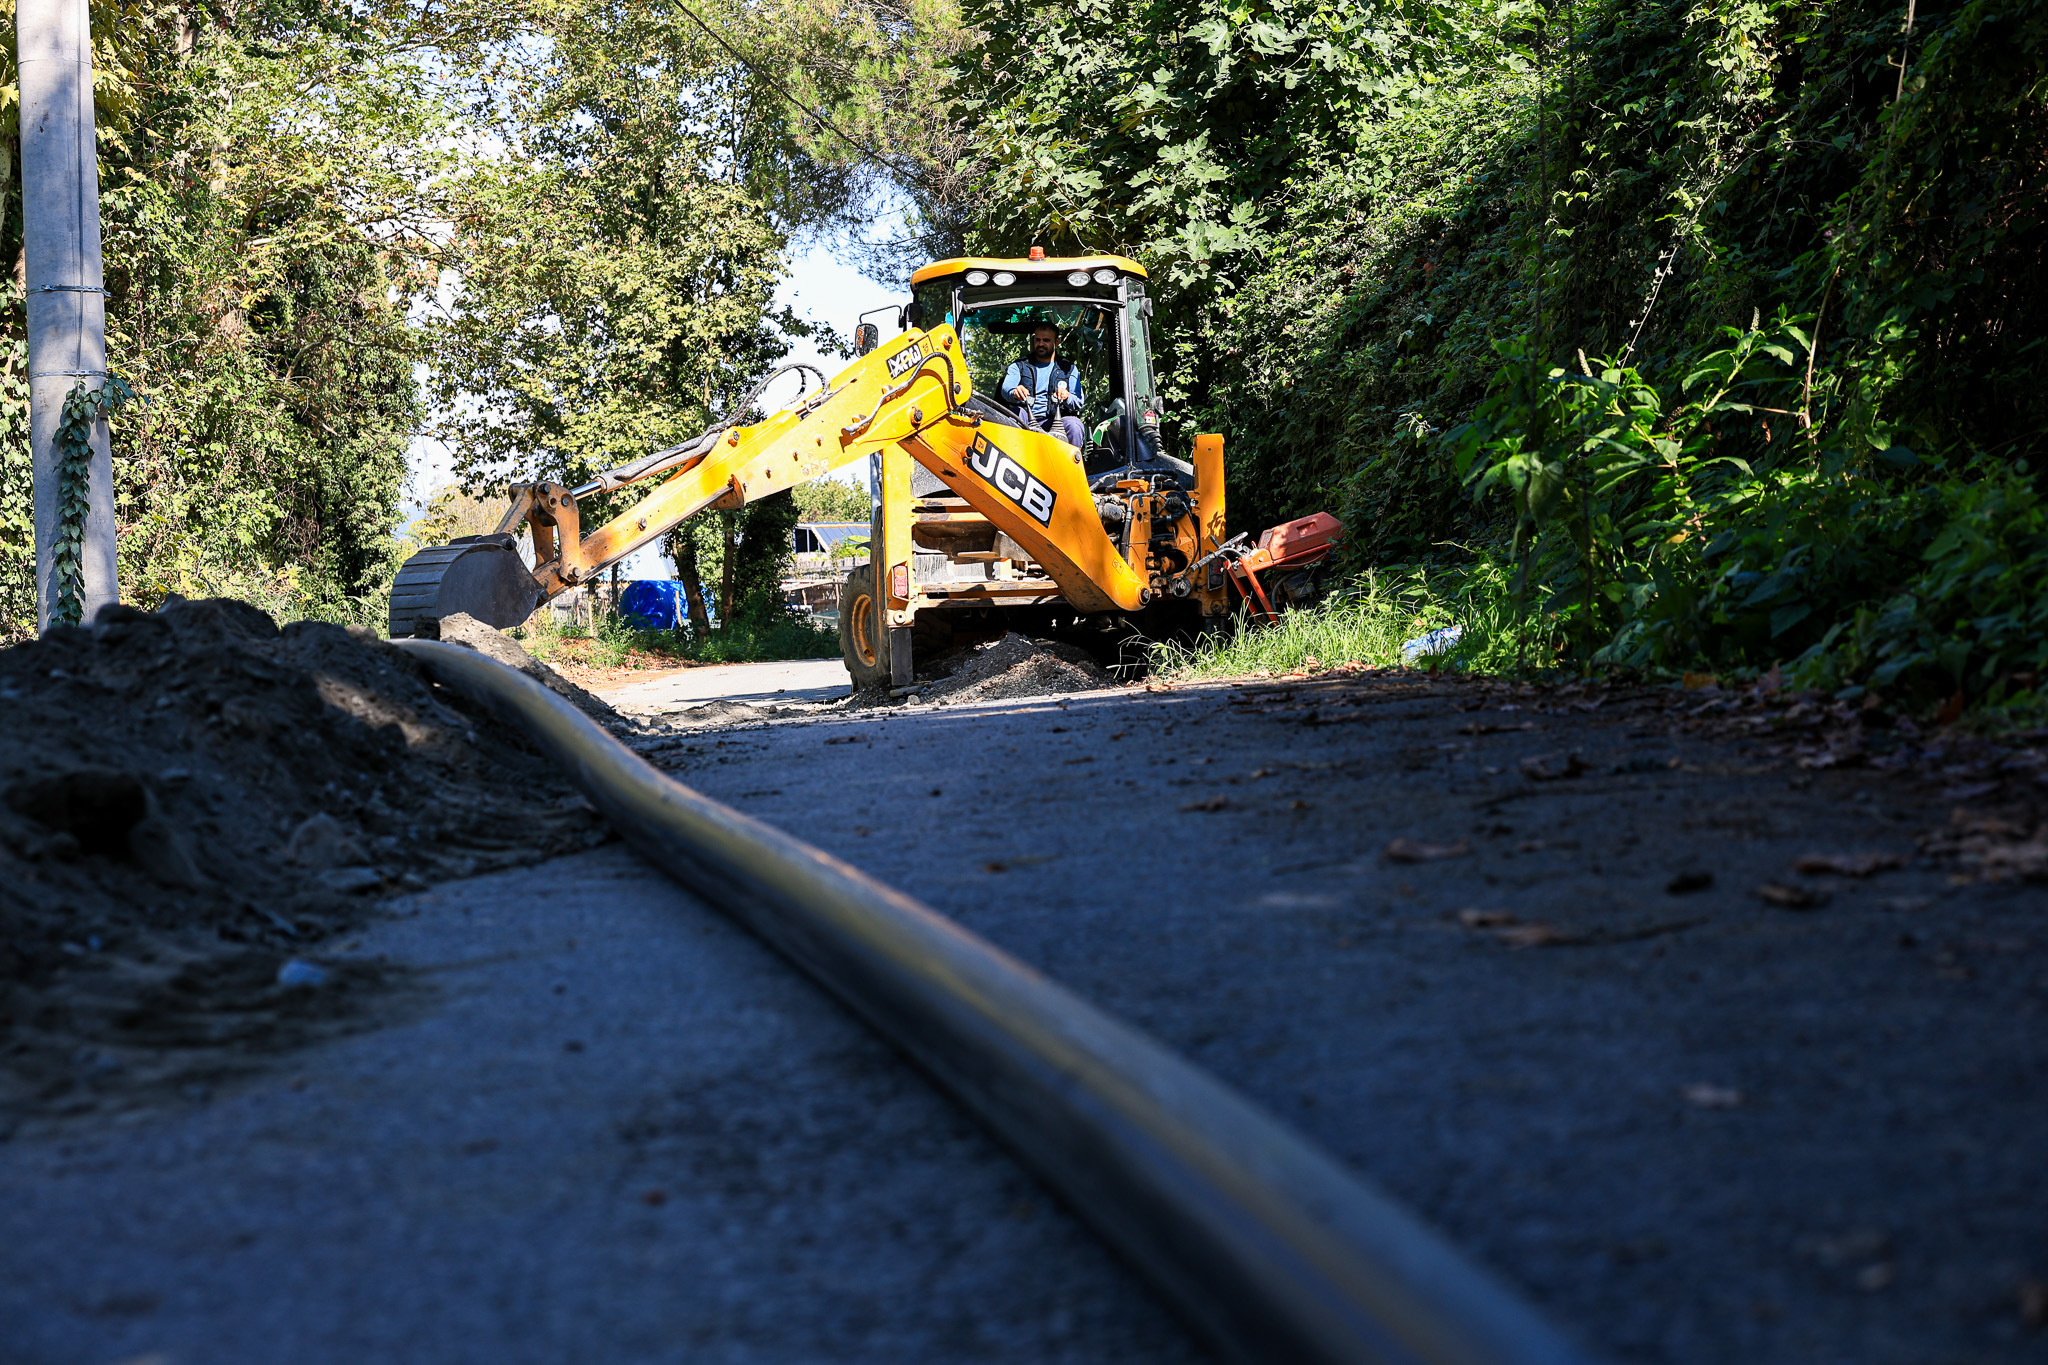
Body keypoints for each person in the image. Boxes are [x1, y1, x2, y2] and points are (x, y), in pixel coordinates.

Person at [1001, 323, 1085, 448]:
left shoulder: (1069, 368)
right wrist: (1015, 392)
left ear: (1057, 342)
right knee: (1015, 414)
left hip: (1057, 421)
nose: (1041, 344)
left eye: (1046, 340)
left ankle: (1073, 465)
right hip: (1027, 420)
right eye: (1038, 340)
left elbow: (1078, 401)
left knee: (1074, 424)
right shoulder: (1019, 365)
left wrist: (1067, 396)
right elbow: (1006, 389)